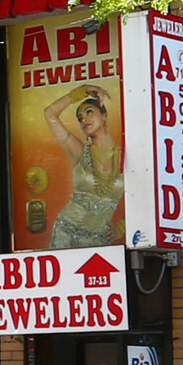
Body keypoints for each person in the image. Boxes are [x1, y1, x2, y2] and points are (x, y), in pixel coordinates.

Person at [43, 84, 125, 248]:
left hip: (98, 241)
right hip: (64, 235)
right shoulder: (79, 150)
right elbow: (49, 114)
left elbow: (147, 197)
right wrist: (81, 91)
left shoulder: (125, 156)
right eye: (80, 118)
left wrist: (121, 228)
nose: (84, 119)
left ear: (104, 116)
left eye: (89, 112)